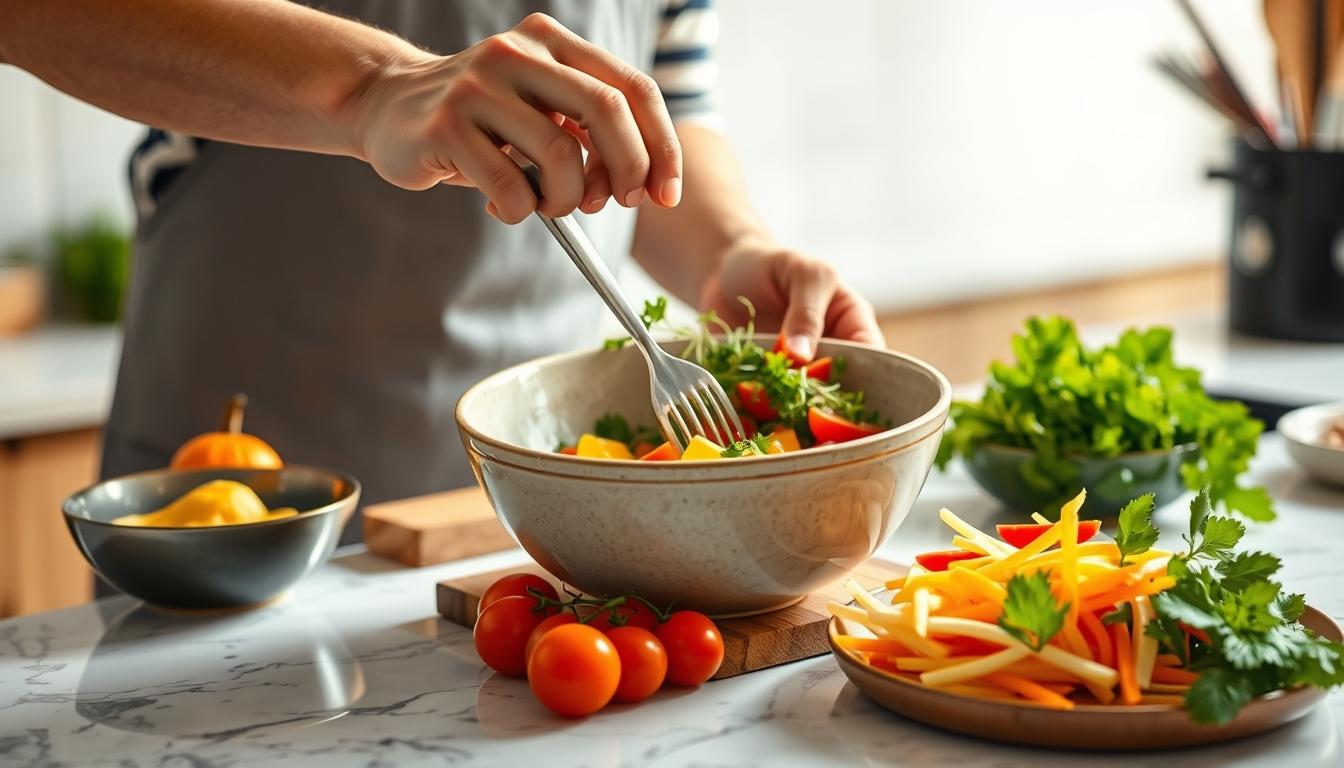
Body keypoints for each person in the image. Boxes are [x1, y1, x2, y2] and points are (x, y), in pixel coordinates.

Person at [2, 0, 883, 542]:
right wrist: (369, 85)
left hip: (545, 511)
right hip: (249, 477)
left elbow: (666, 96)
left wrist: (728, 247)